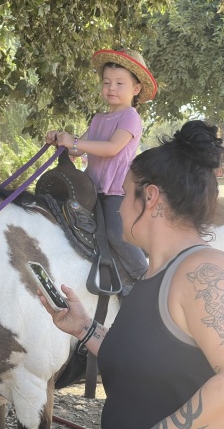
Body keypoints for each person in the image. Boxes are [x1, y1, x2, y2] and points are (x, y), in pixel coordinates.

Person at [40, 120, 224, 428]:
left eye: (125, 195)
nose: (119, 208)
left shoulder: (202, 271)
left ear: (150, 197)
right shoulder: (153, 275)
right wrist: (84, 328)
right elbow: (142, 361)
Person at [46, 48, 157, 295]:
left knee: (116, 234)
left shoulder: (130, 117)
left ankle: (147, 283)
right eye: (107, 82)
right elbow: (77, 149)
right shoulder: (98, 119)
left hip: (117, 191)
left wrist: (72, 142)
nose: (111, 88)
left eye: (119, 83)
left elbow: (111, 148)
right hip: (92, 188)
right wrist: (61, 139)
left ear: (136, 89)